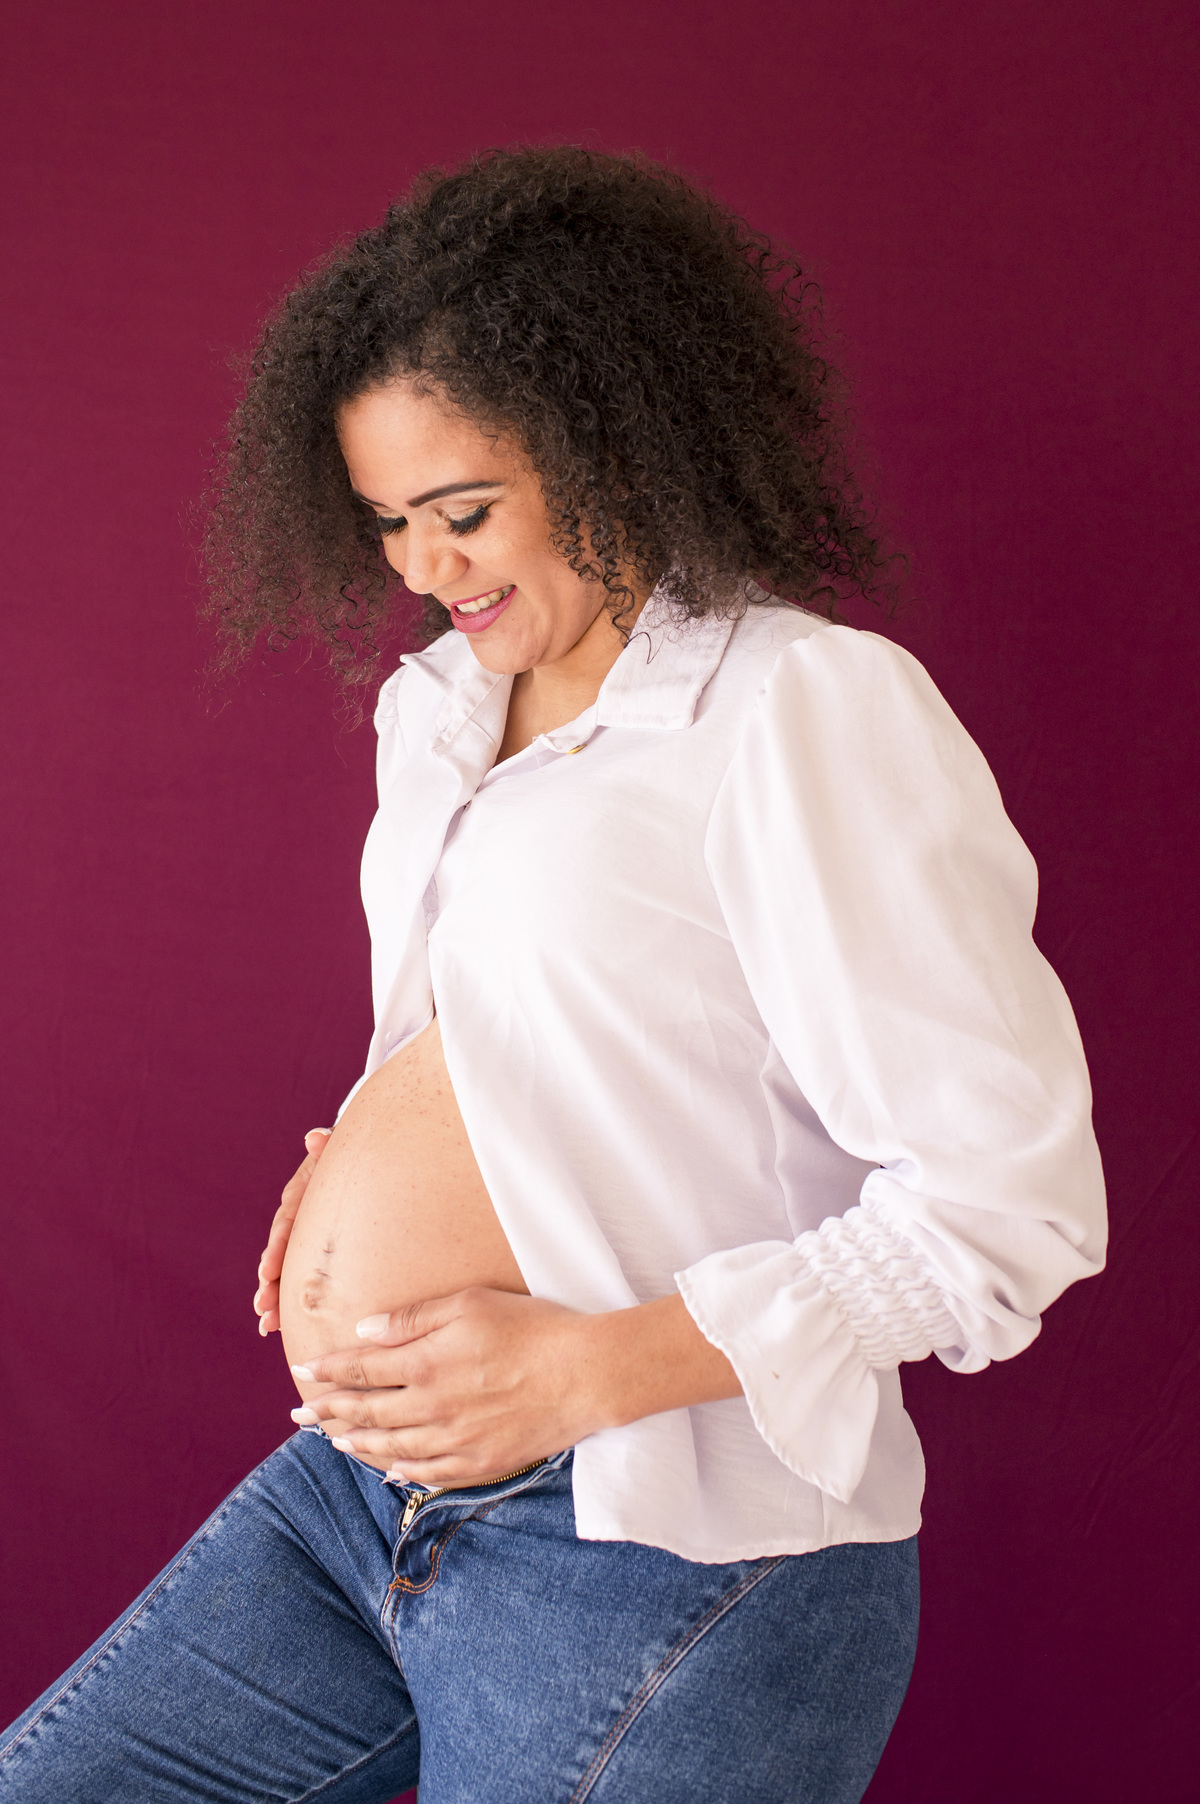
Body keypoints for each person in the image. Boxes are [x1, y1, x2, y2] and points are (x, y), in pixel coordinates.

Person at [0, 146, 1106, 1803]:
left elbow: (1010, 1209)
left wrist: (598, 1361)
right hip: (372, 1491)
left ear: (608, 440)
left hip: (666, 1545)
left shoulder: (798, 708)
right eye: (386, 524)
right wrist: (367, 1160)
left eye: (463, 512)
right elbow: (556, 1040)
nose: (426, 571)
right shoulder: (435, 716)